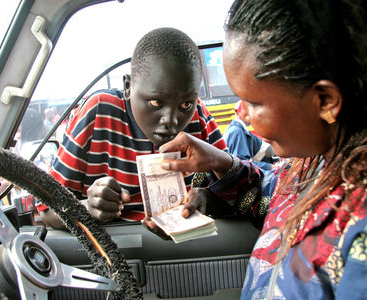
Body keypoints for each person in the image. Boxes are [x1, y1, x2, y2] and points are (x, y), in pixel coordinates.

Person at [146, 0, 367, 299]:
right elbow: (264, 192)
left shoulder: (360, 221)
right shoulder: (306, 163)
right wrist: (217, 159)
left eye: (254, 102)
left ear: (325, 100)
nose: (242, 112)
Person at [37, 27, 227, 229]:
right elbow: (47, 208)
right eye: (156, 103)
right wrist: (87, 209)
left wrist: (210, 198)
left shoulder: (198, 114)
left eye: (185, 105)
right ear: (128, 87)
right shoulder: (100, 111)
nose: (171, 121)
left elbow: (241, 189)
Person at [224, 100, 275, 171]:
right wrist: (269, 167)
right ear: (239, 113)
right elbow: (241, 163)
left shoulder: (239, 129)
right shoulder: (237, 131)